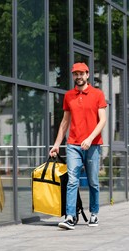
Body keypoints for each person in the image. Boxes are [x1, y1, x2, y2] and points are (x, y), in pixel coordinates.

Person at [49, 62, 107, 230]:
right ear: (73, 76)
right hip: (73, 144)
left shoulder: (98, 94)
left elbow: (102, 120)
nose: (79, 76)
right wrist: (57, 144)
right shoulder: (69, 96)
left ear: (87, 75)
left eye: (82, 73)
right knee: (72, 181)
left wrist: (89, 139)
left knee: (93, 182)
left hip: (93, 145)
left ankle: (94, 213)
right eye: (76, 74)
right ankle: (69, 216)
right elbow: (65, 122)